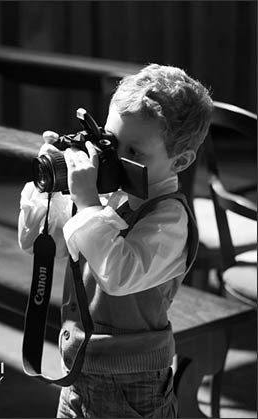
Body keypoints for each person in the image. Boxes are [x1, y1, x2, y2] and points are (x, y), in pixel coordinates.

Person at [18, 63, 213, 418]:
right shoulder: (110, 196)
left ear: (180, 160)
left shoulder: (169, 218)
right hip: (78, 368)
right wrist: (52, 191)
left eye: (134, 153)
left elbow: (119, 274)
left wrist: (89, 201)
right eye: (109, 141)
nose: (113, 159)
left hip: (133, 383)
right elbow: (40, 243)